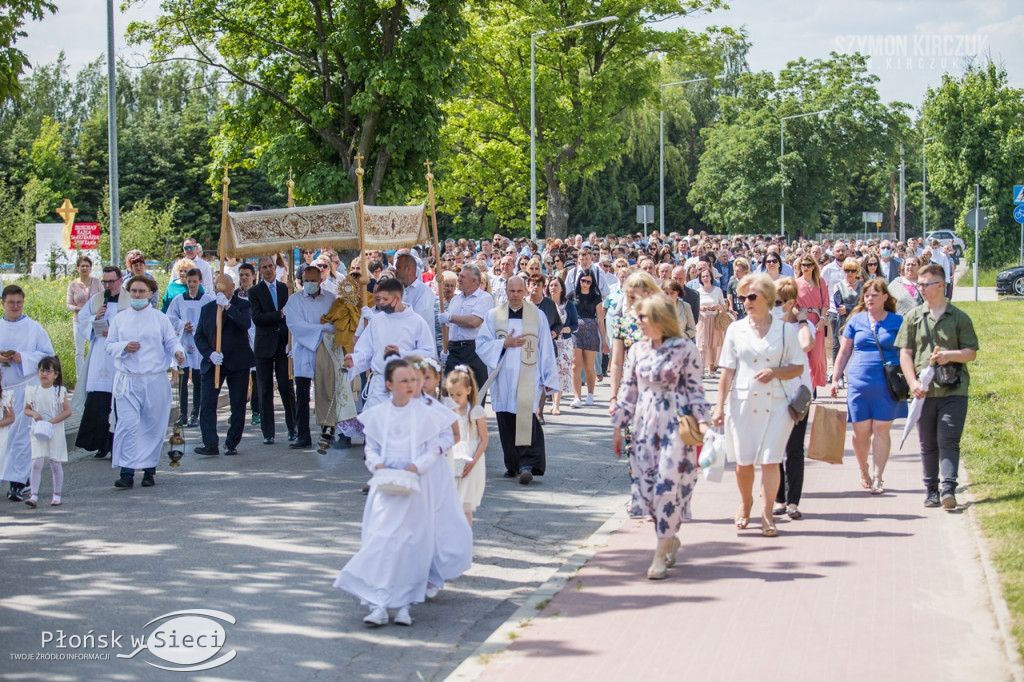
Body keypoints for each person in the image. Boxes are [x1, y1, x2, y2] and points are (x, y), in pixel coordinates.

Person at [333, 358, 456, 627]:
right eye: (404, 381)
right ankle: (377, 604)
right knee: (382, 542)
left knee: (409, 546)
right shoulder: (379, 414)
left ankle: (403, 604)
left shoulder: (426, 414)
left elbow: (433, 448)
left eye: (413, 380)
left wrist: (416, 467)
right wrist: (377, 465)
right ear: (389, 385)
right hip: (386, 487)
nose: (411, 385)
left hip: (414, 488)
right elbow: (372, 448)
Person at [611, 295, 710, 579]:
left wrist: (703, 423)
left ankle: (659, 552)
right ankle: (669, 535)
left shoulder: (685, 348)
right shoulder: (637, 350)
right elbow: (629, 390)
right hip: (644, 425)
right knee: (650, 487)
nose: (638, 322)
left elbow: (695, 389)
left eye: (642, 317)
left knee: (668, 483)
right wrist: (618, 426)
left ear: (658, 319)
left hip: (675, 424)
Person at [712, 274, 805, 537]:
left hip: (777, 402)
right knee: (743, 463)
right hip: (742, 401)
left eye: (752, 296)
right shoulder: (735, 329)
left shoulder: (786, 329)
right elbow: (727, 372)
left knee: (770, 460)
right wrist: (719, 407)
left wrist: (775, 372)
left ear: (767, 297)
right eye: (743, 297)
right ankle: (746, 501)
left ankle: (766, 513)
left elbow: (798, 366)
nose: (747, 302)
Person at [896, 264, 979, 510]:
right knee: (928, 442)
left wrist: (949, 355)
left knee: (949, 440)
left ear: (941, 285)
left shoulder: (959, 317)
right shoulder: (913, 317)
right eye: (919, 284)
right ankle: (931, 490)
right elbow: (905, 353)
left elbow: (970, 353)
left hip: (954, 390)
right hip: (924, 391)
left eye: (926, 284)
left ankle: (949, 488)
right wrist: (911, 382)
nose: (920, 288)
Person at [476, 276, 559, 484]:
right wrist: (503, 343)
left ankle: (527, 465)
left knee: (526, 417)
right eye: (511, 291)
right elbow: (482, 344)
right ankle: (512, 465)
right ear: (506, 291)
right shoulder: (493, 315)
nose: (515, 295)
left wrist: (549, 376)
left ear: (525, 292)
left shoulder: (537, 316)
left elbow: (546, 347)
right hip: (503, 376)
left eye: (519, 291)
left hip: (529, 375)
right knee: (505, 418)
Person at [829, 279, 908, 494]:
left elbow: (906, 352)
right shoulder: (856, 321)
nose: (870, 298)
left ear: (885, 297)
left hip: (886, 383)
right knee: (861, 432)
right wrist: (835, 378)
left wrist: (911, 377)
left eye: (874, 294)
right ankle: (862, 468)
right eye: (867, 295)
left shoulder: (897, 321)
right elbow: (844, 352)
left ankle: (878, 476)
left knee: (881, 429)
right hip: (860, 383)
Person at [106, 276, 185, 489]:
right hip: (128, 380)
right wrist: (124, 346)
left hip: (154, 380)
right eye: (134, 291)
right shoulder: (120, 319)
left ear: (150, 294)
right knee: (128, 425)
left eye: (142, 291)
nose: (138, 295)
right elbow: (109, 345)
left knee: (152, 426)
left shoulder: (159, 318)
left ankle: (149, 470)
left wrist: (178, 352)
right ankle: (126, 472)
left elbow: (171, 340)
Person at [345, 278, 436, 410]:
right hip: (379, 385)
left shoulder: (416, 322)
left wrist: (402, 354)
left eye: (385, 300)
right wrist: (354, 360)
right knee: (375, 429)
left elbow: (428, 356)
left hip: (406, 386)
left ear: (397, 298)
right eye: (380, 299)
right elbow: (367, 351)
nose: (381, 303)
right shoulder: (377, 321)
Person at [0, 285, 56, 502]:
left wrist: (23, 357)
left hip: (25, 388)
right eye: (11, 303)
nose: (15, 306)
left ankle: (17, 482)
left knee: (22, 437)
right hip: (3, 389)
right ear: (3, 303)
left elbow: (48, 355)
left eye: (19, 302)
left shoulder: (33, 328)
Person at [193, 277, 255, 456]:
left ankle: (232, 442)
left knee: (238, 404)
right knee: (207, 404)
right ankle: (210, 443)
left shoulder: (242, 305)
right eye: (216, 288)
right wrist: (210, 354)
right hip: (214, 362)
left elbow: (245, 323)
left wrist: (228, 307)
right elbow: (199, 336)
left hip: (238, 362)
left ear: (232, 287)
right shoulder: (207, 309)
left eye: (223, 287)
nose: (219, 291)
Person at [73, 266, 128, 459]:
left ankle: (115, 444)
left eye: (111, 282)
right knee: (98, 402)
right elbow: (82, 321)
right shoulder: (97, 300)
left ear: (120, 281)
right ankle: (100, 444)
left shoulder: (129, 300)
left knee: (117, 403)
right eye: (105, 281)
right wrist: (96, 319)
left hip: (118, 357)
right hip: (99, 355)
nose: (107, 285)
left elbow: (135, 326)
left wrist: (114, 331)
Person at [774, 278, 816, 520]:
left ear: (790, 303)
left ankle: (793, 502)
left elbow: (807, 345)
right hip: (773, 394)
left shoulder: (803, 326)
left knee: (794, 449)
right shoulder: (767, 326)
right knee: (775, 449)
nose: (773, 306)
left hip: (798, 395)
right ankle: (778, 497)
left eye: (778, 302)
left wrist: (801, 319)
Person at [283, 266, 337, 449]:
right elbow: (296, 325)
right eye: (306, 281)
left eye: (313, 281)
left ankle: (327, 433)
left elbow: (336, 322)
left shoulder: (330, 299)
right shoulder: (294, 300)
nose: (309, 284)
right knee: (302, 396)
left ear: (320, 280)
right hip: (304, 350)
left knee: (326, 393)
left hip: (326, 351)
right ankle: (303, 436)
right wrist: (321, 329)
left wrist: (326, 331)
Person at [250, 256, 298, 444]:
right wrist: (279, 314)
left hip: (283, 343)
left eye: (271, 266)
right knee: (264, 389)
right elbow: (257, 317)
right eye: (265, 267)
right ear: (260, 270)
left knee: (286, 386)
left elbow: (292, 314)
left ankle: (292, 427)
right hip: (264, 345)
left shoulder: (285, 288)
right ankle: (268, 432)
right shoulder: (255, 291)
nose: (269, 270)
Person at [165, 268, 213, 428]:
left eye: (195, 281)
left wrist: (197, 326)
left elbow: (211, 319)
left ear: (200, 281)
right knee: (182, 379)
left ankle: (195, 413)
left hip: (199, 342)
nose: (192, 284)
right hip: (184, 340)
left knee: (198, 379)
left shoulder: (206, 300)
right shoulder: (179, 299)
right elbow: (170, 317)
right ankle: (183, 414)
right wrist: (181, 324)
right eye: (189, 281)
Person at [23, 356, 71, 508]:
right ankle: (34, 495)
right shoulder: (32, 391)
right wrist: (34, 414)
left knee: (55, 462)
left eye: (48, 371)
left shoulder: (59, 391)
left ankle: (57, 494)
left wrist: (52, 422)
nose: (44, 374)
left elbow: (67, 411)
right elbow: (26, 409)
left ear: (55, 374)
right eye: (42, 370)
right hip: (38, 430)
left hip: (54, 430)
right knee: (36, 462)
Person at [440, 264, 493, 394]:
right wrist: (445, 348)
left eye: (462, 277)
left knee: (475, 394)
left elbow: (474, 321)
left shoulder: (484, 298)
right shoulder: (455, 300)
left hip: (474, 350)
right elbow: (447, 327)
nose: (458, 279)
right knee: (449, 393)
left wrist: (450, 317)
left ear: (474, 280)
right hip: (454, 350)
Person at [444, 367, 488, 525]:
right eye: (451, 395)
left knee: (465, 506)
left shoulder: (476, 411)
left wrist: (473, 461)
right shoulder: (448, 411)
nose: (455, 399)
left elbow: (484, 440)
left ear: (468, 390)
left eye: (458, 395)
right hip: (453, 459)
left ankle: (464, 539)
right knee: (451, 503)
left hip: (471, 461)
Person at [569, 270, 608, 408]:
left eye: (588, 281)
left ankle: (590, 394)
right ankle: (577, 397)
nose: (585, 284)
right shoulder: (572, 295)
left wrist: (604, 340)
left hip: (591, 330)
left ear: (592, 283)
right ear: (579, 281)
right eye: (583, 280)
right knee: (575, 364)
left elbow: (600, 319)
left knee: (589, 366)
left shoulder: (596, 297)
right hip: (575, 331)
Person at [795, 255, 830, 389]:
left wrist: (822, 319)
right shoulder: (796, 283)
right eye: (803, 265)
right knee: (804, 356)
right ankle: (808, 386)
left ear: (814, 266)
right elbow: (792, 304)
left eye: (809, 265)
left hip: (816, 320)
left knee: (816, 358)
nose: (806, 268)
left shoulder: (820, 282)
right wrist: (799, 318)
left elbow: (825, 303)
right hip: (802, 320)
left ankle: (813, 383)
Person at [66, 256, 102, 381]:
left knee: (94, 347)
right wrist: (80, 309)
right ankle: (80, 377)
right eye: (82, 266)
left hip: (94, 319)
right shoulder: (73, 285)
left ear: (91, 268)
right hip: (79, 320)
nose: (85, 268)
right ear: (78, 268)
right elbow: (68, 304)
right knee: (79, 351)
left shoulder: (96, 282)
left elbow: (102, 297)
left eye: (87, 266)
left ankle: (94, 374)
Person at [547, 277, 577, 415]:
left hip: (564, 342)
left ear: (562, 288)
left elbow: (575, 324)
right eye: (551, 285)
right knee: (551, 371)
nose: (553, 287)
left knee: (561, 372)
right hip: (548, 341)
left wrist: (564, 329)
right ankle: (550, 400)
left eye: (556, 285)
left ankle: (556, 403)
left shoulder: (568, 305)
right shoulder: (545, 304)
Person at [832, 258, 863, 375]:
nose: (849, 273)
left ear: (857, 271)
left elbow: (865, 307)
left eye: (853, 270)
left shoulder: (863, 286)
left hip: (860, 326)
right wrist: (856, 307)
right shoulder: (838, 286)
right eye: (847, 270)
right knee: (847, 358)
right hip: (844, 326)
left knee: (858, 356)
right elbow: (840, 307)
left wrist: (849, 308)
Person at [695, 268, 726, 377]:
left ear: (711, 277)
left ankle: (711, 370)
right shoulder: (698, 292)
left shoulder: (718, 290)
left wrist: (718, 306)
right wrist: (700, 308)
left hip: (715, 319)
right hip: (703, 319)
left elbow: (724, 306)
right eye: (703, 276)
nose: (705, 278)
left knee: (713, 344)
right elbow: (694, 307)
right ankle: (702, 369)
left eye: (707, 276)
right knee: (702, 345)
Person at [395, 253, 436, 332]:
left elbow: (417, 319)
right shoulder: (397, 290)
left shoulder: (424, 291)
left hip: (419, 342)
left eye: (398, 268)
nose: (395, 271)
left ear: (408, 269)